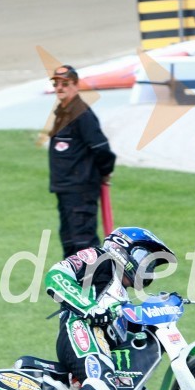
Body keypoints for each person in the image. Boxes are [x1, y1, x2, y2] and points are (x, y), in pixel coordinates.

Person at [43, 227, 174, 390]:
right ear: (124, 250)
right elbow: (56, 275)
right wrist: (89, 307)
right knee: (102, 380)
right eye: (145, 259)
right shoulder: (100, 259)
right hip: (79, 329)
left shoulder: (121, 296)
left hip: (101, 344)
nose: (148, 269)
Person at [47, 65, 116, 258]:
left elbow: (102, 149)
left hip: (81, 189)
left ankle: (95, 284)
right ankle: (72, 284)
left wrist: (104, 172)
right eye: (56, 84)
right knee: (69, 239)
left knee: (83, 242)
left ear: (76, 86)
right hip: (65, 189)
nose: (60, 88)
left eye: (65, 84)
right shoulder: (63, 112)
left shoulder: (82, 114)